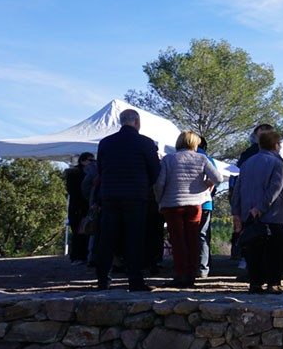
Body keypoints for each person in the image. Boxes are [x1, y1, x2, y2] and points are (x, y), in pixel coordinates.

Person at [94, 109, 160, 291]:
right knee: (134, 238)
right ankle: (135, 281)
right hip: (136, 196)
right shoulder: (146, 143)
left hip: (109, 196)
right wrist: (144, 185)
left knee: (106, 238)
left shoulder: (105, 143)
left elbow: (100, 169)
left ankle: (103, 280)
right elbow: (155, 171)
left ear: (121, 122)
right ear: (137, 122)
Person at [154, 130, 223, 288]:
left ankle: (180, 274)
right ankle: (192, 274)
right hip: (194, 204)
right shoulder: (201, 158)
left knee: (177, 241)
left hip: (172, 205)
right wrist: (204, 186)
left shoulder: (168, 159)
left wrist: (159, 200)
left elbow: (160, 184)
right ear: (195, 143)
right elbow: (218, 178)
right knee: (193, 239)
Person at [236, 130, 283, 293]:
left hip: (248, 215)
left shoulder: (247, 163)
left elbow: (238, 188)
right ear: (275, 145)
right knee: (273, 251)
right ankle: (273, 283)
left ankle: (255, 283)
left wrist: (237, 211)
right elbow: (275, 188)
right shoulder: (277, 163)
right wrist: (260, 207)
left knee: (253, 252)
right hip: (271, 215)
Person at [196, 139, 219, 281]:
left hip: (184, 202)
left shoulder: (178, 157)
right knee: (203, 236)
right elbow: (216, 178)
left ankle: (187, 266)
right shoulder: (208, 159)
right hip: (205, 203)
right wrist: (208, 190)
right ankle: (203, 267)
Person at [65, 152, 94, 264]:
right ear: (83, 161)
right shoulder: (75, 173)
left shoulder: (83, 172)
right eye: (90, 160)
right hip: (78, 207)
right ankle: (77, 256)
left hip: (83, 207)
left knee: (85, 232)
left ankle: (82, 256)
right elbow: (74, 191)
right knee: (78, 232)